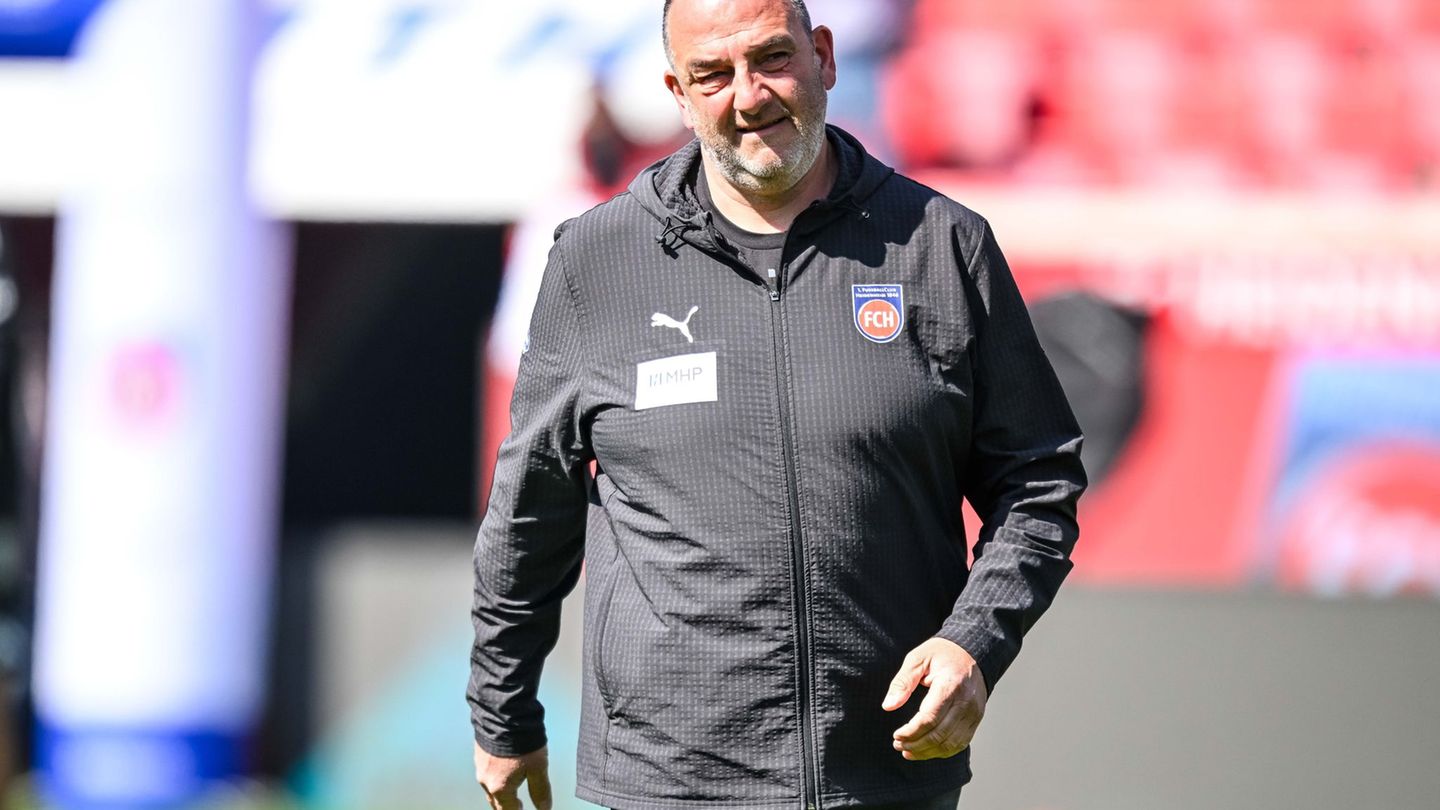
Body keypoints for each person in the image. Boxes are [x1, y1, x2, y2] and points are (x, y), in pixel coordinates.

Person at [467, 0, 1086, 808]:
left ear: (823, 56)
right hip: (668, 782)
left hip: (884, 775)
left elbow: (1037, 482)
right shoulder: (596, 263)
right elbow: (530, 511)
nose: (749, 95)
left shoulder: (941, 244)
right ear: (678, 94)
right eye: (712, 75)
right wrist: (503, 714)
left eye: (771, 58)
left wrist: (974, 644)